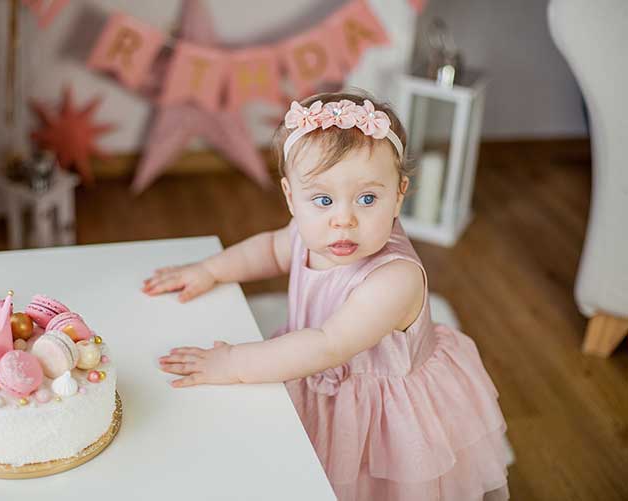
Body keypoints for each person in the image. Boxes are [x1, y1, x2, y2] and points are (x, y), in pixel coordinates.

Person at [144, 90, 510, 500]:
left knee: (373, 485)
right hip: (313, 371)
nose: (343, 220)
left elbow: (327, 345)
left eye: (368, 199)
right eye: (322, 199)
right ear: (290, 196)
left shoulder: (395, 280)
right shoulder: (310, 232)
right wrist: (210, 269)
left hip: (377, 408)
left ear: (399, 194)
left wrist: (230, 362)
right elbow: (268, 250)